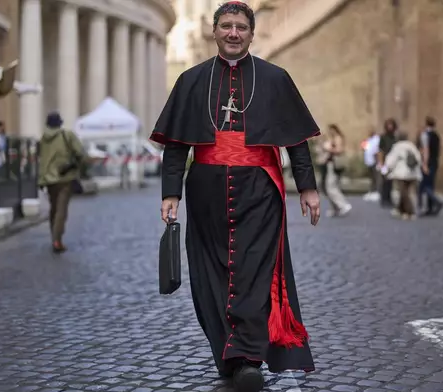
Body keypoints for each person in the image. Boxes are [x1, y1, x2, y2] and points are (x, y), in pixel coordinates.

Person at [150, 2, 319, 391]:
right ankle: (227, 351)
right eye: (225, 25)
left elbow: (296, 140)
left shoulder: (275, 79)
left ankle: (248, 357)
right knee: (210, 272)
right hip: (205, 191)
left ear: (251, 33)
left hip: (260, 191)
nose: (232, 32)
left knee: (255, 272)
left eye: (240, 26)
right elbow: (176, 145)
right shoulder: (191, 80)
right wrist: (170, 193)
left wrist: (307, 187)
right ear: (214, 31)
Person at [37, 112, 86, 253]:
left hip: (48, 179)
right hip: (65, 178)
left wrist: (41, 179)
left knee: (53, 208)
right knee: (61, 210)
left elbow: (42, 160)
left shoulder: (43, 139)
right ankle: (57, 240)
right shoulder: (67, 135)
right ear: (60, 123)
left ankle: (54, 236)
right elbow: (80, 152)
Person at [384, 131, 422, 220]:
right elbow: (418, 158)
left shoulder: (397, 147)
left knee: (404, 192)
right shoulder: (412, 146)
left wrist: (387, 169)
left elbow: (391, 160)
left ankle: (410, 212)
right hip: (413, 173)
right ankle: (399, 209)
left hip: (401, 173)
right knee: (405, 192)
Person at [320, 124, 351, 216]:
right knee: (328, 187)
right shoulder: (333, 138)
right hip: (330, 164)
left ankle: (343, 205)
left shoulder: (338, 138)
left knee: (331, 187)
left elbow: (339, 150)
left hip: (334, 164)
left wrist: (328, 149)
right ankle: (336, 208)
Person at [416, 116, 443, 216]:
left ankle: (436, 202)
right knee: (430, 184)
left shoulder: (425, 135)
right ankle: (430, 207)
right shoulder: (437, 135)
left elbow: (426, 150)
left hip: (428, 162)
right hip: (435, 161)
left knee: (422, 186)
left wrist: (424, 164)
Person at [377, 118, 398, 208]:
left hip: (393, 161)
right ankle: (384, 199)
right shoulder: (383, 137)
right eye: (388, 125)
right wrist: (381, 163)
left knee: (390, 181)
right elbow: (380, 151)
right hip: (385, 161)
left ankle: (389, 198)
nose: (390, 127)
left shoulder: (395, 138)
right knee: (385, 180)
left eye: (391, 125)